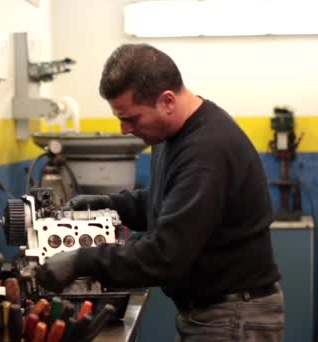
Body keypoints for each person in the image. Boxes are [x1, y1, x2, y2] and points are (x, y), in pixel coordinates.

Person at [36, 43, 285, 341]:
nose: (124, 129)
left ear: (167, 101)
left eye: (132, 118)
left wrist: (81, 261)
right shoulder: (173, 134)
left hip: (234, 320)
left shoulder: (206, 152)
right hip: (216, 314)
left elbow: (165, 255)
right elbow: (169, 202)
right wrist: (108, 205)